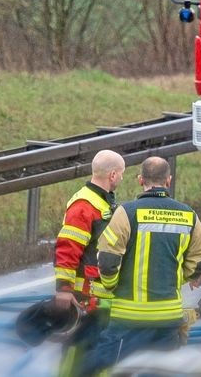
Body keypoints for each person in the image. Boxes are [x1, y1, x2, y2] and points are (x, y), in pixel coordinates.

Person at [86, 157, 201, 373]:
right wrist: (175, 278)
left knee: (110, 369)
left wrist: (113, 284)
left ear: (140, 180)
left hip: (129, 319)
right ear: (169, 181)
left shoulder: (127, 212)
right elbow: (199, 262)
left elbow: (107, 259)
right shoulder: (188, 215)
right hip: (168, 318)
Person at [52, 149, 125, 377]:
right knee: (80, 352)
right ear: (113, 175)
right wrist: (64, 289)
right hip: (86, 295)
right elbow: (67, 248)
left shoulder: (103, 203)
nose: (122, 178)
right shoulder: (85, 206)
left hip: (100, 294)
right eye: (121, 174)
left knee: (100, 351)